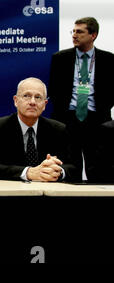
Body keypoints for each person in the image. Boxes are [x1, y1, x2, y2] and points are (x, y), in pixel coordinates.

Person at [48, 17, 114, 180]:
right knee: (69, 166)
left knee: (98, 166)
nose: (74, 35)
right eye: (73, 31)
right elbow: (54, 89)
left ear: (93, 35)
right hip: (67, 119)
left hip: (97, 120)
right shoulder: (60, 58)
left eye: (80, 31)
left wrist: (102, 107)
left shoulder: (109, 59)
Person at [0, 77, 79, 182]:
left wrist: (57, 171)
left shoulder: (58, 129)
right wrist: (28, 172)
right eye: (26, 96)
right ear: (16, 101)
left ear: (45, 104)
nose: (32, 102)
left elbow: (74, 167)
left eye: (38, 97)